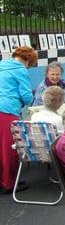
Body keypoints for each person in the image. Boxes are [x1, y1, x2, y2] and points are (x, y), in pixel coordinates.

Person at [0, 46, 37, 194]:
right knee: (10, 148)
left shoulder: (2, 65)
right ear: (28, 61)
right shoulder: (21, 70)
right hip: (7, 110)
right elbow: (27, 97)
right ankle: (8, 183)